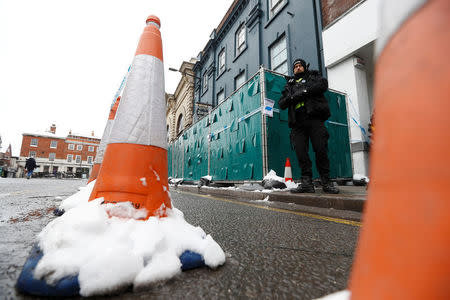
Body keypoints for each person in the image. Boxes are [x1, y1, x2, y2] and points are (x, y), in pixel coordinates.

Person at [279, 58, 339, 194]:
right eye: (295, 66)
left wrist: (304, 92)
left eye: (300, 65)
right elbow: (282, 103)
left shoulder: (314, 76)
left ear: (305, 67)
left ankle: (326, 182)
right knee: (301, 153)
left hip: (315, 119)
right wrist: (293, 97)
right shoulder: (289, 85)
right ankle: (307, 183)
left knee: (321, 150)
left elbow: (323, 85)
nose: (298, 68)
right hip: (297, 123)